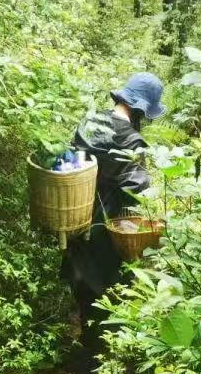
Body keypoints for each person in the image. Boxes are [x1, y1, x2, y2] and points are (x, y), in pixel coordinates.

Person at [61, 72, 167, 350]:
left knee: (82, 284)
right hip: (106, 227)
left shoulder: (91, 121)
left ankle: (83, 341)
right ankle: (101, 357)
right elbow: (136, 190)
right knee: (108, 290)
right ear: (141, 108)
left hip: (74, 214)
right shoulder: (130, 141)